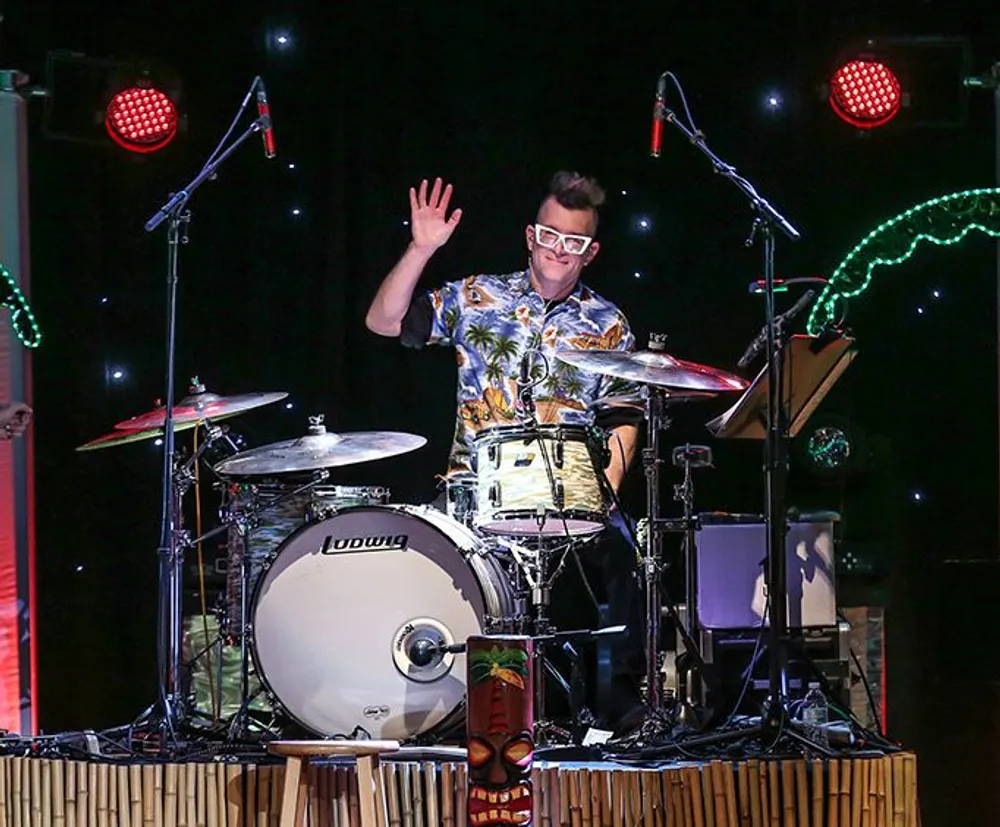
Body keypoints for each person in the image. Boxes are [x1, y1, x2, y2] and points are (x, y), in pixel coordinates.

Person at [366, 172, 648, 734]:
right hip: (476, 487)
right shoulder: (478, 297)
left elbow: (624, 416)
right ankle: (448, 714)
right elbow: (384, 321)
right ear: (530, 235)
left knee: (624, 556)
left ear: (589, 252)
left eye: (573, 242)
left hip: (569, 489)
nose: (558, 251)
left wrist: (606, 488)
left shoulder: (608, 322)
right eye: (549, 235)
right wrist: (422, 248)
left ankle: (615, 710)